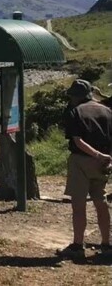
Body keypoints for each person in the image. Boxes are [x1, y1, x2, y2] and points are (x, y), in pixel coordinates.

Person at [58, 78, 111, 258]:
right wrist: (105, 158)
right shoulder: (107, 111)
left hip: (81, 160)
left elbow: (77, 141)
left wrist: (96, 154)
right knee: (101, 202)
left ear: (75, 96)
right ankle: (106, 244)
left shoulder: (75, 112)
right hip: (103, 163)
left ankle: (77, 246)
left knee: (78, 205)